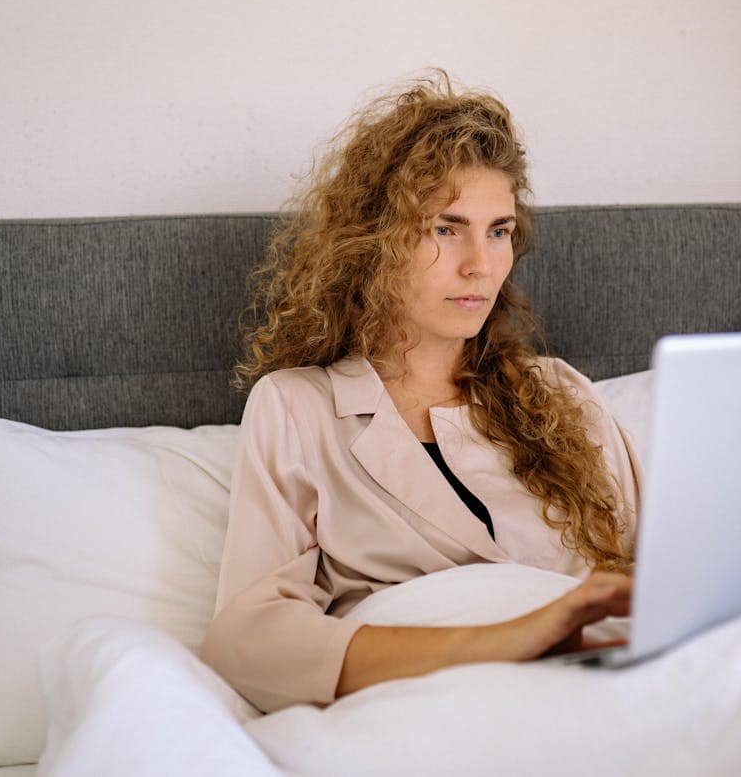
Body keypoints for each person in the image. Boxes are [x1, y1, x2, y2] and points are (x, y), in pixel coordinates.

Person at [200, 71, 641, 714]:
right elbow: (248, 643)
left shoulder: (560, 393)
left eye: (499, 231)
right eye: (445, 228)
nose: (480, 264)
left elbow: (660, 576)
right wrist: (508, 639)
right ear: (374, 241)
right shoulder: (298, 407)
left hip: (599, 695)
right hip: (433, 710)